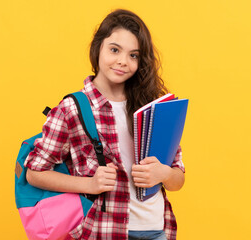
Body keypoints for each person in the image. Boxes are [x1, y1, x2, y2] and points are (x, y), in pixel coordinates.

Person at [25, 9, 185, 240]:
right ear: (97, 48)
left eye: (134, 55)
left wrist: (165, 173)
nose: (122, 61)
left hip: (157, 228)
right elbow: (35, 172)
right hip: (106, 230)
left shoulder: (154, 107)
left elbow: (177, 180)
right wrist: (89, 184)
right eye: (114, 50)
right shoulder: (73, 108)